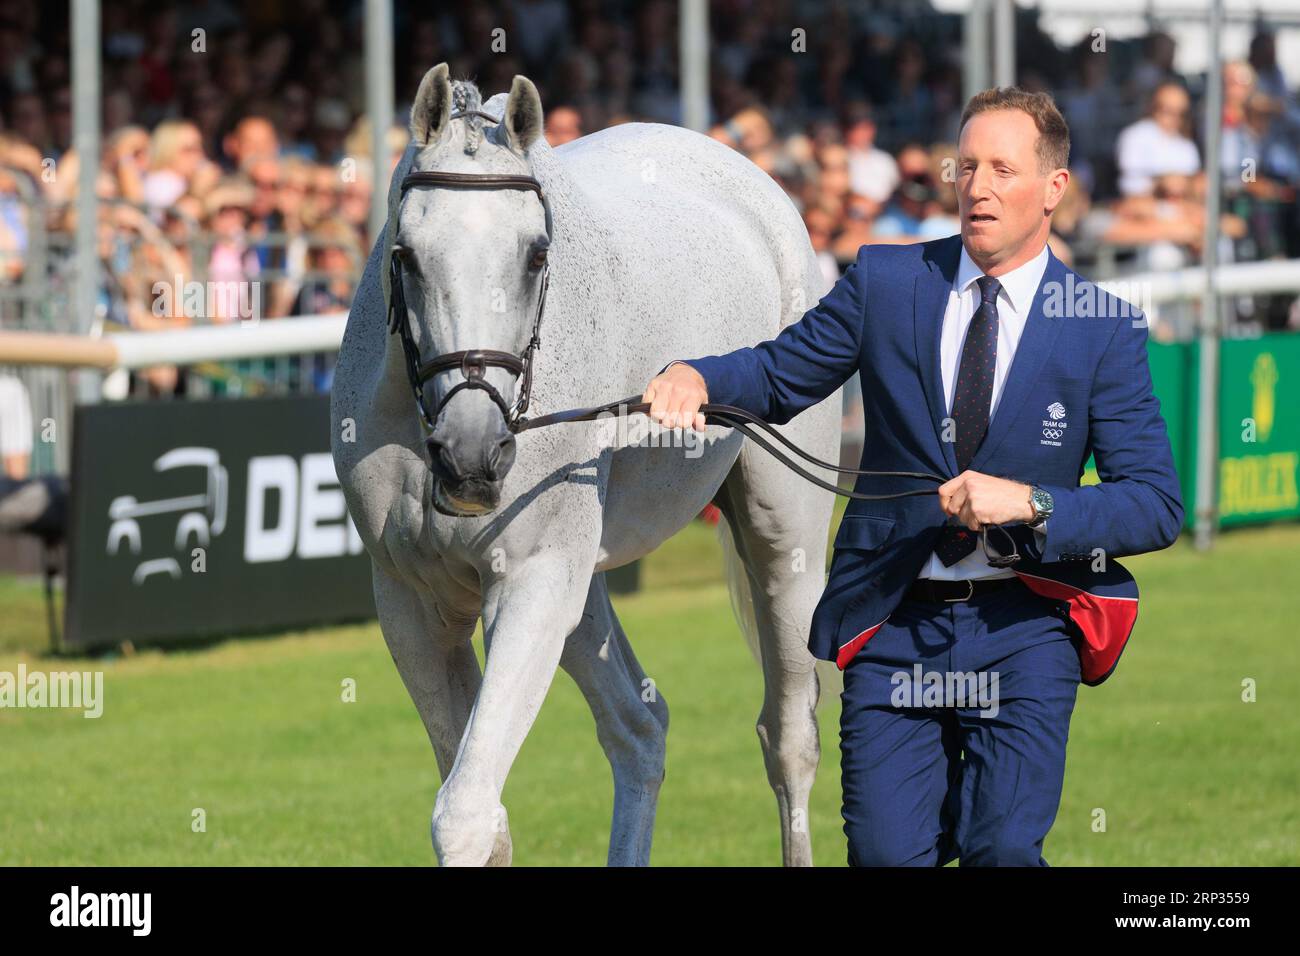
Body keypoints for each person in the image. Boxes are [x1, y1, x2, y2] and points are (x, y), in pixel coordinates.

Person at [641, 87, 1183, 866]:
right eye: (967, 166)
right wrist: (698, 375)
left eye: (1003, 168)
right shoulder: (888, 283)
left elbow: (1155, 503)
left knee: (1001, 851)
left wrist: (1032, 504)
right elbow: (779, 373)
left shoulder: (1100, 326)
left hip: (1025, 633)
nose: (980, 185)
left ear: (1054, 189)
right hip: (893, 624)